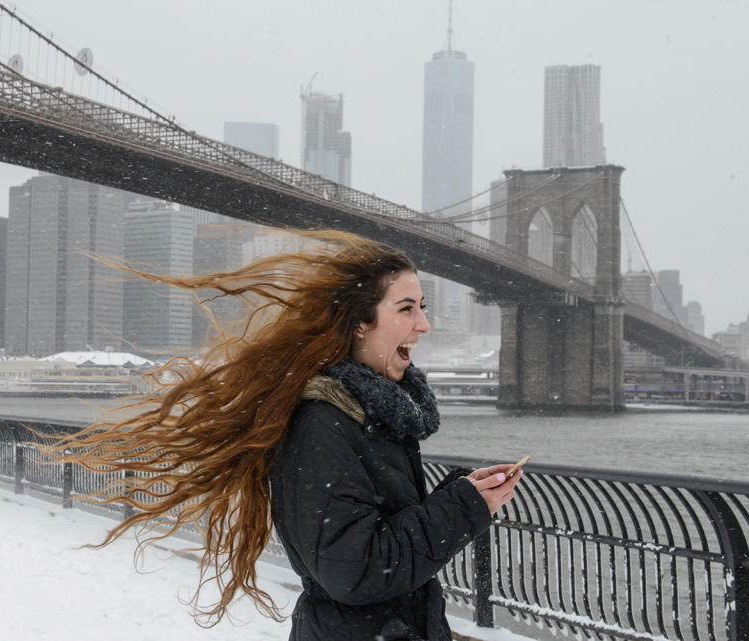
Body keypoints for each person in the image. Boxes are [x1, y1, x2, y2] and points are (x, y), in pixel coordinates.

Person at [41, 230, 520, 639]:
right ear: (359, 323)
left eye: (423, 307)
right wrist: (461, 510)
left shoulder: (370, 418)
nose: (425, 324)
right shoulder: (324, 425)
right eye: (407, 308)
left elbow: (376, 539)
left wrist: (463, 494)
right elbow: (353, 572)